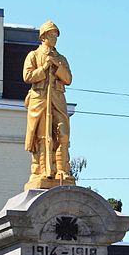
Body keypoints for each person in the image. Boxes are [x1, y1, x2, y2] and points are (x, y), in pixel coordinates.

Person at [23, 21, 75, 188]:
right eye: (51, 35)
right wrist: (44, 68)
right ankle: (43, 170)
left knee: (63, 134)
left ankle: (62, 170)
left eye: (56, 36)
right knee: (42, 137)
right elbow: (28, 77)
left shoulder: (61, 58)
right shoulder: (34, 55)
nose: (54, 38)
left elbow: (68, 79)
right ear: (43, 37)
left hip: (57, 99)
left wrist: (57, 66)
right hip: (40, 99)